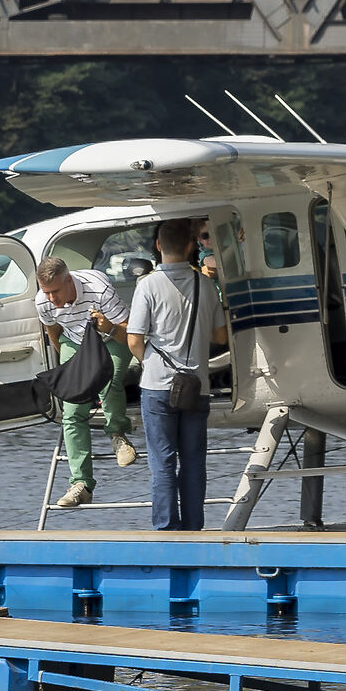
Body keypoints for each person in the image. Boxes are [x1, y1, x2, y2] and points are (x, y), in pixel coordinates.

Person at [125, 216, 226, 531]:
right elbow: (221, 338)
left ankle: (167, 529)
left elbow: (134, 339)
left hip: (157, 386)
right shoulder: (205, 284)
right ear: (190, 245)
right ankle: (195, 527)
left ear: (157, 246)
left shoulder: (147, 286)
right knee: (194, 462)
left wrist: (151, 364)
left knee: (163, 462)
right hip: (197, 386)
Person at [34, 257, 136, 509]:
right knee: (71, 408)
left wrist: (109, 328)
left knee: (108, 379)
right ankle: (81, 484)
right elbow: (53, 332)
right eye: (46, 292)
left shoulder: (99, 289)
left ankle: (117, 433)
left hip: (113, 336)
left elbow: (129, 334)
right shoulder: (42, 302)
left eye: (55, 291)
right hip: (74, 341)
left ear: (69, 280)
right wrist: (74, 370)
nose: (51, 299)